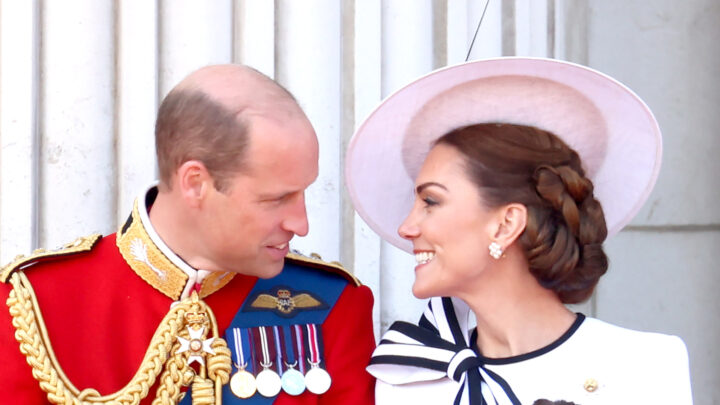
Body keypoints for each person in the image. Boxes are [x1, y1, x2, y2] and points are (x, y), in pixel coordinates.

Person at [0, 65, 376, 404]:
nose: (301, 224)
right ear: (195, 183)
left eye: (304, 192)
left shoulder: (332, 305)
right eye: (277, 199)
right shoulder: (30, 306)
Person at [345, 58, 692, 404]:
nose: (406, 228)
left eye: (431, 201)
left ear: (506, 224)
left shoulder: (644, 367)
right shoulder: (406, 383)